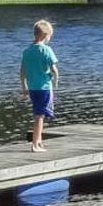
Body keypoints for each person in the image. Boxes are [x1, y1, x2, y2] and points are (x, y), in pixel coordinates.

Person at [20, 19, 59, 149]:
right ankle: (35, 144)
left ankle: (40, 141)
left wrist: (24, 87)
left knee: (38, 113)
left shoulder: (27, 51)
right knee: (40, 116)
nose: (50, 39)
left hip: (32, 88)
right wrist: (56, 81)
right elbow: (54, 69)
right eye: (50, 36)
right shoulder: (47, 50)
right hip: (44, 88)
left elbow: (22, 71)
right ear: (45, 35)